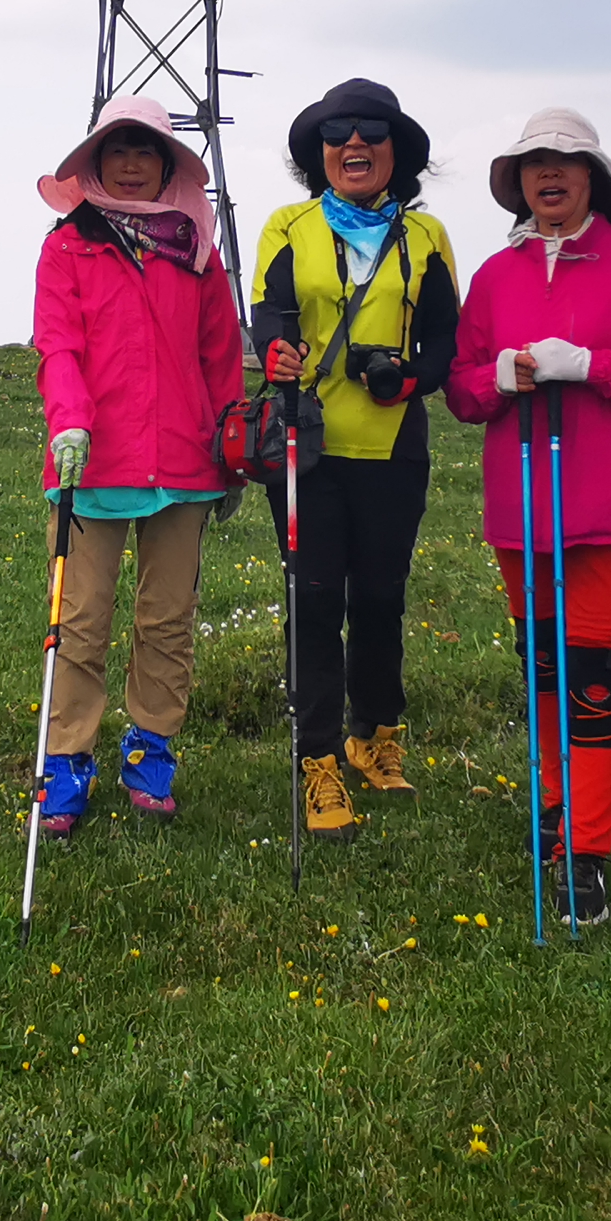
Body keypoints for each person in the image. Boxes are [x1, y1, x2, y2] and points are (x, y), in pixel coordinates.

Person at [443, 109, 611, 923]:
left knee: (598, 684)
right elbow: (459, 391)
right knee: (546, 674)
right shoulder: (493, 276)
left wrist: (594, 366)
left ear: (595, 176)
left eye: (566, 162)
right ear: (517, 182)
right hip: (524, 514)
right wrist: (499, 379)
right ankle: (557, 812)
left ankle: (585, 851)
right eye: (534, 165)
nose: (549, 176)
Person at [250, 79, 460, 840]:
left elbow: (443, 338)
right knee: (313, 604)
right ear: (320, 153)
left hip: (391, 445)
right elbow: (268, 312)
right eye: (337, 133)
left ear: (396, 153)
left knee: (379, 598)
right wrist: (276, 349)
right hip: (305, 446)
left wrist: (408, 378)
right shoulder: (288, 225)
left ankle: (377, 737)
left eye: (372, 131)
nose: (354, 144)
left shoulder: (426, 236)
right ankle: (319, 763)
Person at [27, 96, 243, 834]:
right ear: (94, 161)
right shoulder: (67, 248)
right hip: (90, 463)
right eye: (116, 148)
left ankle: (152, 747)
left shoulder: (197, 252)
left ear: (164, 165)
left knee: (168, 620)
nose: (129, 162)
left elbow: (220, 356)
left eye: (144, 150)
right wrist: (70, 423)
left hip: (184, 463)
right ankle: (66, 760)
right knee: (79, 621)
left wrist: (231, 446)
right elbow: (57, 345)